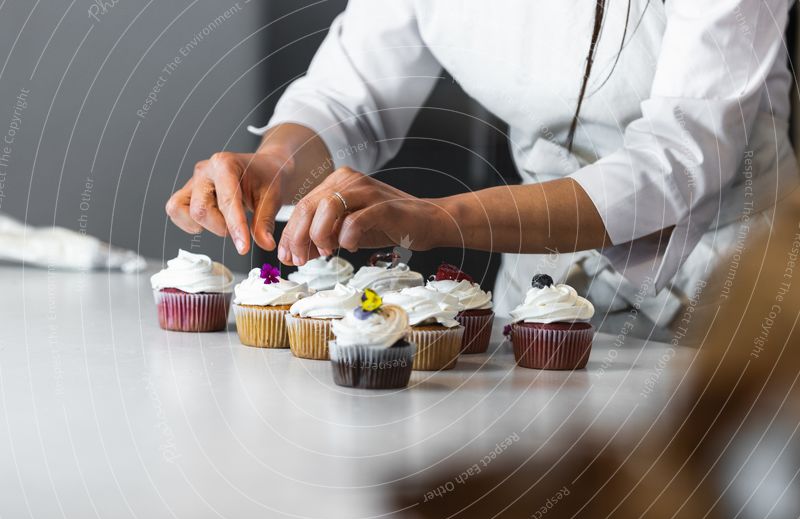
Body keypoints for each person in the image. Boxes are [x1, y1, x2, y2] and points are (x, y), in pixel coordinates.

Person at [165, 0, 798, 334]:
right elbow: (346, 97)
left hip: (741, 293)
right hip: (547, 297)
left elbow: (676, 163)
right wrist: (275, 162)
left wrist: (437, 218)